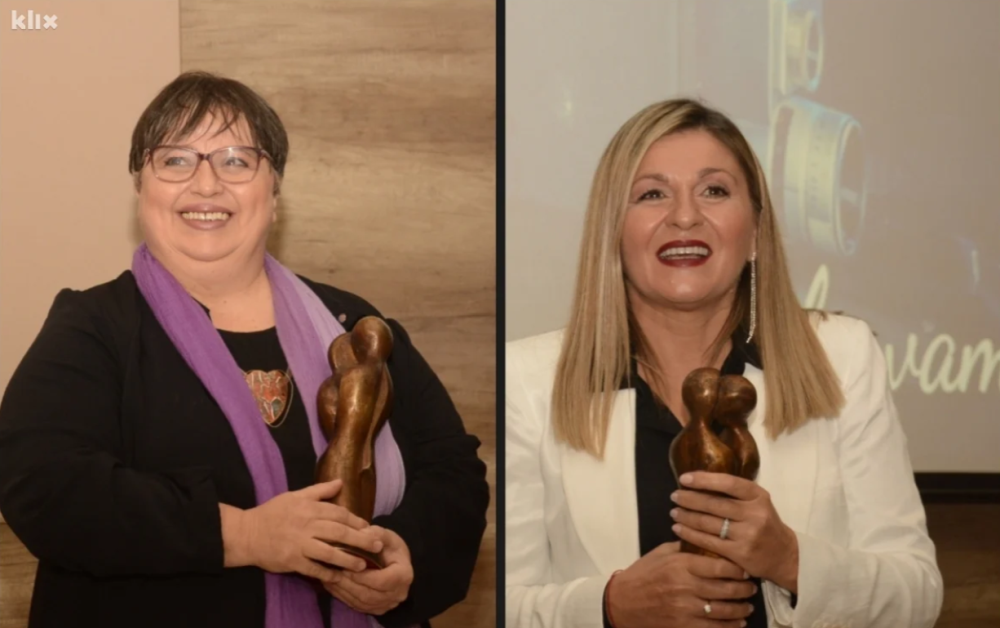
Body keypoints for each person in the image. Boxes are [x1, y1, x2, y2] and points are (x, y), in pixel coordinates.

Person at [0, 71, 489, 628]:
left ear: (274, 195)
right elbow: (42, 484)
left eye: (236, 160)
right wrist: (244, 534)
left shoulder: (355, 326)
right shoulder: (92, 328)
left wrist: (406, 554)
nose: (206, 184)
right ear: (141, 191)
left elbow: (452, 470)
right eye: (176, 160)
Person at [505, 99, 942, 628]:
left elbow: (916, 594)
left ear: (755, 230)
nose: (685, 216)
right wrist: (609, 606)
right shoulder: (526, 381)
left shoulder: (842, 354)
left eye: (714, 190)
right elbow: (507, 603)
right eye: (652, 194)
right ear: (612, 233)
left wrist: (790, 559)